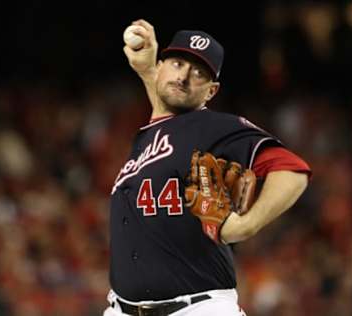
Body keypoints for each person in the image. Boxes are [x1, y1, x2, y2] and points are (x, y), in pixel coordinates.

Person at [104, 19, 311, 316]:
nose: (184, 77)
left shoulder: (214, 127)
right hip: (122, 309)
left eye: (198, 73)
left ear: (211, 92)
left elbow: (292, 170)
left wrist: (246, 224)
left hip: (197, 308)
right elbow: (167, 110)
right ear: (162, 65)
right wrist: (147, 70)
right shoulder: (153, 135)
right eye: (177, 64)